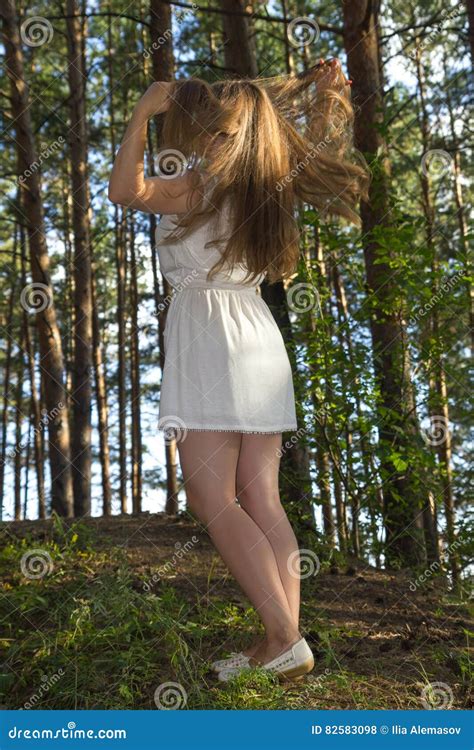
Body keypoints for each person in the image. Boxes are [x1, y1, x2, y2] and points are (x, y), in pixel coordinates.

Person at [108, 59, 368, 682]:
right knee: (261, 497)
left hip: (209, 338)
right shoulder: (263, 188)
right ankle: (281, 646)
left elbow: (123, 191)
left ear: (218, 133)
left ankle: (281, 637)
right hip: (257, 335)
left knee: (210, 495)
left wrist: (143, 115)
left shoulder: (196, 186)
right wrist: (327, 101)